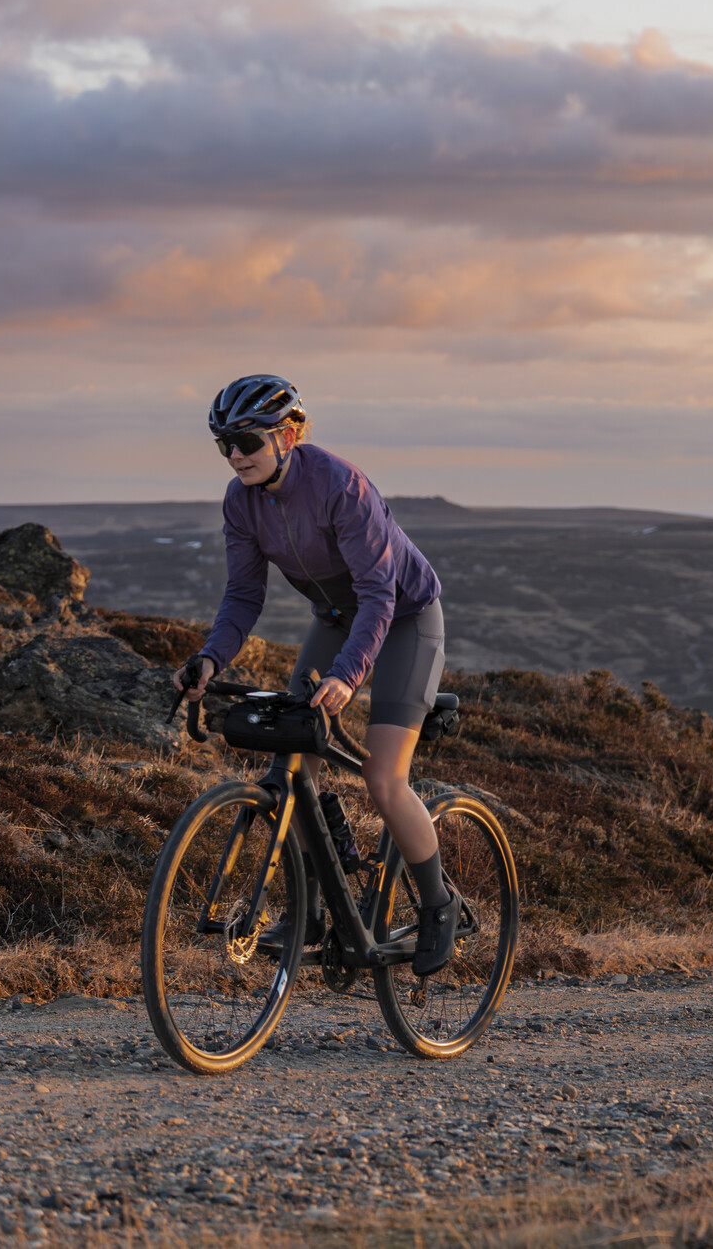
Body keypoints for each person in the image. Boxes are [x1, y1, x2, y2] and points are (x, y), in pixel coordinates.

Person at [171, 375, 458, 977]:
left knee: (384, 779)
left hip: (403, 616)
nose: (236, 456)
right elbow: (243, 594)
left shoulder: (339, 485)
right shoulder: (239, 499)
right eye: (224, 444)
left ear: (288, 435)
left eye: (246, 440)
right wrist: (210, 659)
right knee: (293, 755)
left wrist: (349, 678)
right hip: (334, 616)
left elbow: (379, 595)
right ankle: (323, 906)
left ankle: (438, 904)